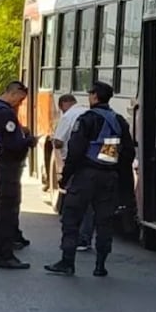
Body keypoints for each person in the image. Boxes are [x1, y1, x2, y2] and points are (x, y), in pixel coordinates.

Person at [45, 81, 134, 277]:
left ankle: (67, 262)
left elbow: (75, 151)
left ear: (94, 96)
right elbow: (127, 153)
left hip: (85, 176)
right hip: (108, 177)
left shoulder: (87, 119)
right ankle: (100, 265)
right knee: (104, 222)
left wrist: (65, 177)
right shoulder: (119, 121)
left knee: (71, 218)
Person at [0, 81, 38, 269]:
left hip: (0, 164)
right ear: (14, 94)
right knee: (7, 212)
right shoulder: (5, 113)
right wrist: (29, 141)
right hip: (9, 166)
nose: (20, 104)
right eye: (21, 100)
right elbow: (13, 144)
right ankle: (5, 255)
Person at [51, 94, 92, 250]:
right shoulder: (89, 113)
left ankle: (72, 243)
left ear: (63, 105)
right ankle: (86, 238)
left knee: (72, 204)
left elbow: (59, 142)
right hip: (94, 165)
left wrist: (53, 139)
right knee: (89, 204)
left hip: (75, 163)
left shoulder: (68, 116)